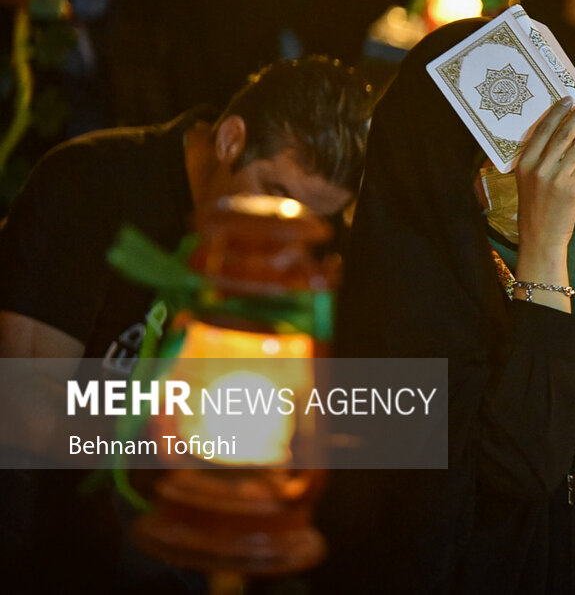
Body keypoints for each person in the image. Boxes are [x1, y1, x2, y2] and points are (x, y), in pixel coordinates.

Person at [0, 55, 372, 593]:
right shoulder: (93, 184)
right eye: (276, 196)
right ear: (230, 140)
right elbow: (22, 401)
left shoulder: (302, 258)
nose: (282, 234)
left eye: (314, 220)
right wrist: (171, 443)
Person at [324, 18, 575, 594]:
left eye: (550, 153)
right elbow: (524, 467)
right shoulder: (399, 303)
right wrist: (543, 249)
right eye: (504, 151)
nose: (530, 177)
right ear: (439, 160)